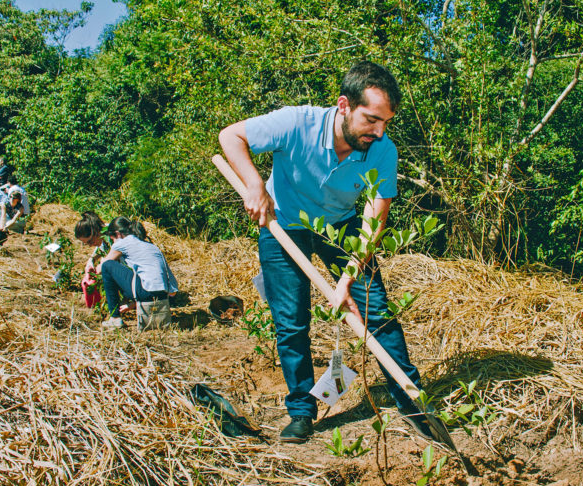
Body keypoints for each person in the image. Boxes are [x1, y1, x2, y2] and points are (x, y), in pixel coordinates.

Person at [219, 60, 432, 444]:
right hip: (283, 223)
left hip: (342, 225)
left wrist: (347, 280)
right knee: (291, 320)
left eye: (386, 123)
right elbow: (230, 136)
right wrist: (255, 186)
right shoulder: (296, 123)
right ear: (344, 105)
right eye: (371, 120)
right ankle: (301, 411)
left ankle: (411, 400)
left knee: (376, 311)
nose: (379, 131)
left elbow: (374, 220)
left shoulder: (383, 150)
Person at [95, 216, 178, 329]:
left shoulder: (123, 243)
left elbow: (101, 269)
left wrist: (97, 262)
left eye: (112, 238)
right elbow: (171, 291)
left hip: (145, 292)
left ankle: (114, 318)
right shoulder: (150, 245)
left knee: (107, 266)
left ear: (118, 234)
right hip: (163, 295)